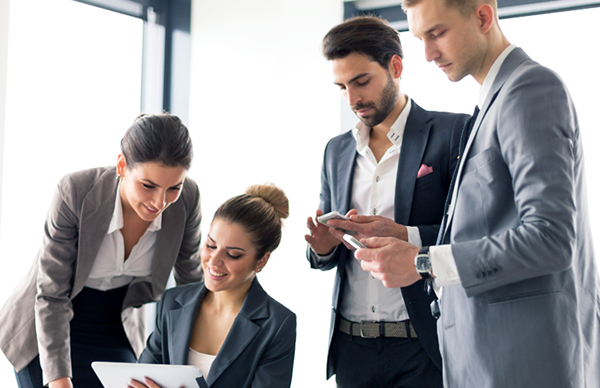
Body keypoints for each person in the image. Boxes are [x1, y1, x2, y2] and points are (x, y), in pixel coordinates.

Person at [354, 1, 600, 387]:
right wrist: (406, 237)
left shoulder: (530, 89)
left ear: (483, 17)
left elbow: (551, 239)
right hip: (487, 362)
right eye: (420, 38)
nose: (428, 54)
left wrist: (422, 262)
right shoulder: (492, 101)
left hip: (524, 365)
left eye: (437, 34)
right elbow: (487, 226)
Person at [304, 16, 468, 387]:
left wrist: (406, 235)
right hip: (351, 347)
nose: (353, 99)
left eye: (361, 81)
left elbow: (473, 234)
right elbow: (328, 253)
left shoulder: (453, 132)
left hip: (423, 346)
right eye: (341, 86)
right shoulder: (337, 150)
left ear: (396, 66)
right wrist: (324, 248)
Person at [0, 113, 204, 388]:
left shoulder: (188, 200)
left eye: (173, 188)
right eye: (148, 186)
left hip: (115, 323)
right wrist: (60, 381)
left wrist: (183, 372)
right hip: (45, 327)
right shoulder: (75, 191)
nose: (160, 202)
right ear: (122, 165)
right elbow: (51, 294)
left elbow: (190, 289)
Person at [130, 183, 296, 388]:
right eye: (210, 245)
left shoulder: (277, 324)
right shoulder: (172, 302)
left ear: (261, 260)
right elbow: (142, 377)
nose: (213, 261)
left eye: (233, 254)